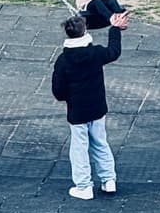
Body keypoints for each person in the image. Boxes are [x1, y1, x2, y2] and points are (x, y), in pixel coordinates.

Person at [51, 11, 127, 199]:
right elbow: (113, 51)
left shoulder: (63, 60)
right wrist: (115, 29)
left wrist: (67, 98)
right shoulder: (95, 53)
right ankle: (109, 179)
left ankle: (84, 185)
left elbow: (58, 90)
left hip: (77, 111)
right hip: (97, 107)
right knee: (100, 143)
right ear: (85, 32)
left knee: (79, 147)